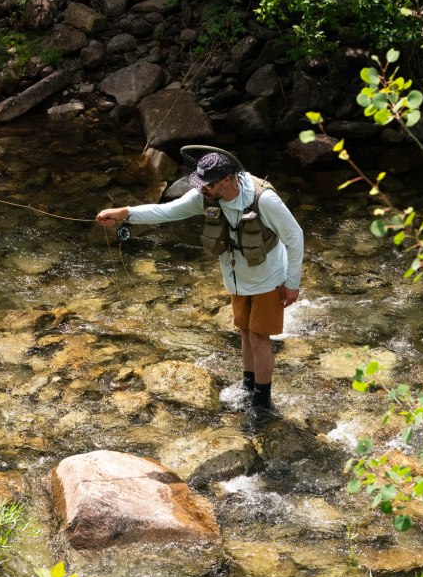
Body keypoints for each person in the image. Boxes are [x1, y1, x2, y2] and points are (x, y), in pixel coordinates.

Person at [96, 146, 304, 412]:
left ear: (227, 180)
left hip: (268, 276)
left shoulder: (264, 200)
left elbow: (295, 237)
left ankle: (262, 403)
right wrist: (124, 213)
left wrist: (292, 284)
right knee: (244, 330)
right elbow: (167, 211)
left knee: (258, 336)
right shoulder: (206, 196)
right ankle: (248, 384)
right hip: (236, 276)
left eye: (207, 185)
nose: (201, 189)